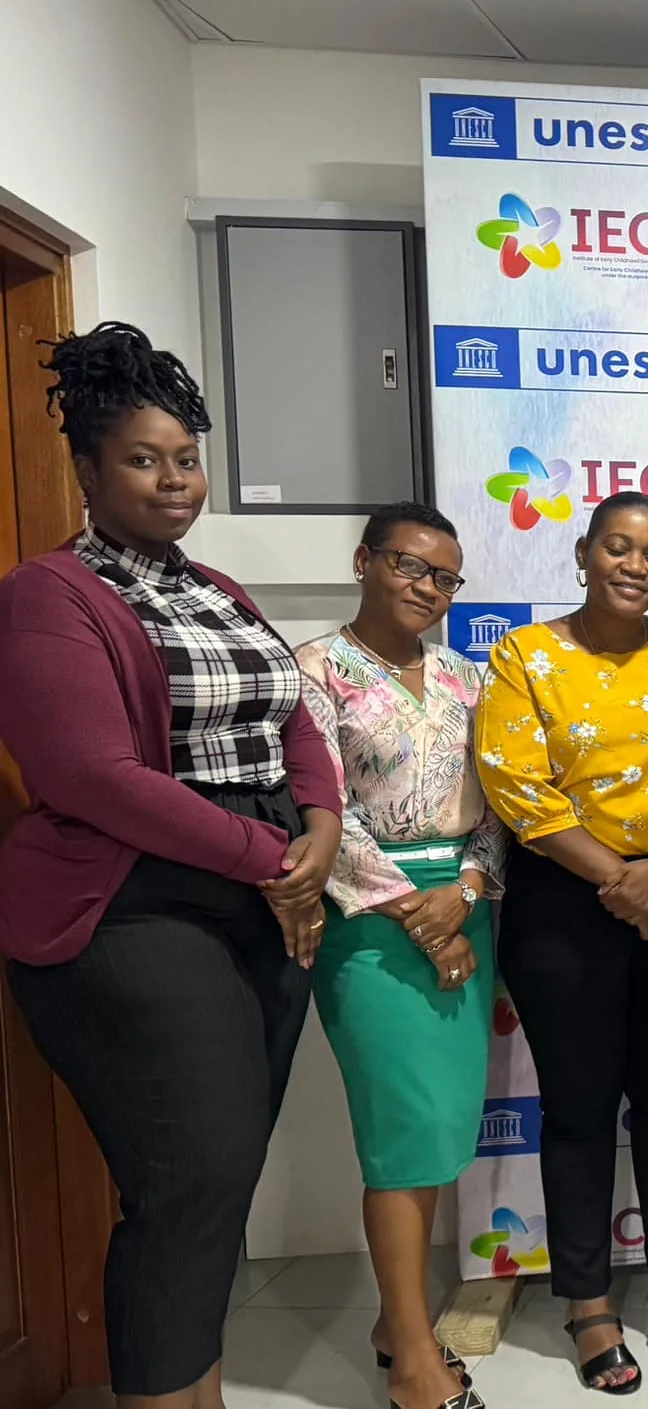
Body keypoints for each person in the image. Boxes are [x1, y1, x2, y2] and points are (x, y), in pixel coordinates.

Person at [0, 322, 344, 1409]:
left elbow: (294, 720)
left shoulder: (219, 589)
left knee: (220, 1182)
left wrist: (322, 827)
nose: (173, 480)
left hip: (267, 894)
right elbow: (92, 776)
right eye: (143, 460)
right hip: (134, 902)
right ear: (88, 470)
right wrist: (273, 855)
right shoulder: (48, 594)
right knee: (187, 1178)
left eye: (186, 459)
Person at [474, 492, 648, 1391]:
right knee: (579, 1108)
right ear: (584, 554)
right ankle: (589, 1303)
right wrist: (623, 885)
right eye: (620, 547)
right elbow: (517, 788)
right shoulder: (526, 655)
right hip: (565, 904)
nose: (637, 565)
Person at [296, 501, 505, 1409]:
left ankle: (396, 1322)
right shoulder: (314, 671)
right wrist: (417, 914)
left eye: (444, 577)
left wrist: (466, 893)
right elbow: (318, 810)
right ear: (364, 561)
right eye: (409, 565)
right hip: (367, 922)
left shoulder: (469, 677)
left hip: (465, 909)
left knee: (438, 1131)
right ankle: (416, 1367)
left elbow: (499, 804)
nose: (427, 587)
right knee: (400, 1137)